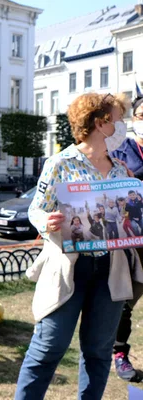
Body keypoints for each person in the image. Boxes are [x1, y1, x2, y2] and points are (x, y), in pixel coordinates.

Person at [14, 93, 143, 400]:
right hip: (68, 269)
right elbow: (36, 209)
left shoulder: (121, 169)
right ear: (101, 123)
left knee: (98, 352)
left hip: (111, 270)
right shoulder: (59, 163)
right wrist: (47, 222)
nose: (124, 126)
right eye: (120, 119)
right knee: (48, 347)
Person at [110, 95, 143, 381]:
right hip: (133, 242)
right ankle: (119, 352)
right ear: (134, 120)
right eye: (142, 115)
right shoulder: (123, 150)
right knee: (125, 300)